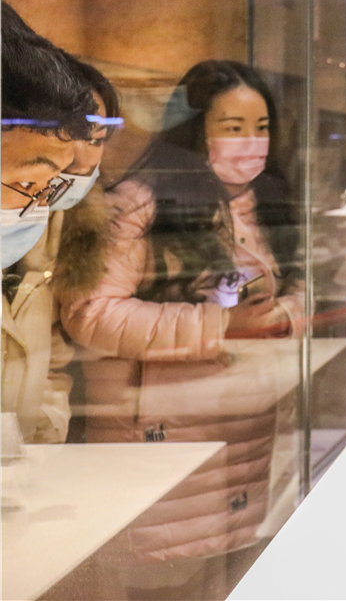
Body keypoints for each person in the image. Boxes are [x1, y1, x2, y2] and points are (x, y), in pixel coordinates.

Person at [60, 60, 303, 589]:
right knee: (167, 583)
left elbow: (299, 285)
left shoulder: (260, 201)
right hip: (162, 436)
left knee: (231, 583)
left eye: (261, 127)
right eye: (232, 127)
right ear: (195, 130)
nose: (251, 142)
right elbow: (90, 313)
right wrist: (221, 325)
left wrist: (283, 316)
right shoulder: (140, 203)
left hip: (243, 434)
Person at [1, 1, 96, 443]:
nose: (39, 206)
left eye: (50, 185)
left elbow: (51, 363)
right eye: (28, 183)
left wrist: (37, 445)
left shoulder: (43, 230)